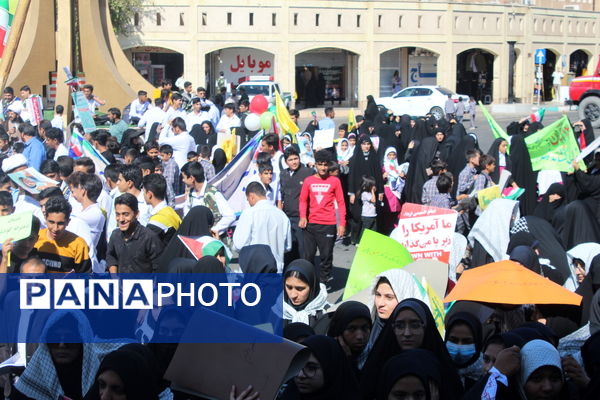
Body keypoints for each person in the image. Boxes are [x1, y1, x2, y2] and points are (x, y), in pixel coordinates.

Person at [299, 150, 346, 288]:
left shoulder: (335, 181)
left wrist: (341, 224)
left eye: (325, 165)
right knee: (308, 257)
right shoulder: (308, 181)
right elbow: (303, 200)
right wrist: (303, 216)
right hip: (311, 224)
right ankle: (308, 282)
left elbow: (341, 203)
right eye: (320, 164)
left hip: (328, 224)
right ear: (315, 165)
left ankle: (324, 282)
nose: (323, 168)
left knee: (326, 256)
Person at [233, 181, 291, 272]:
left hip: (253, 270)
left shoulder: (249, 213)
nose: (248, 203)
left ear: (251, 196)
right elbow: (288, 246)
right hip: (276, 270)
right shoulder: (282, 215)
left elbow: (239, 244)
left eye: (248, 200)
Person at [280, 335, 361, 400]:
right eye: (298, 366)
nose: (300, 375)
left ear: (330, 369)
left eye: (311, 368)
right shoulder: (290, 395)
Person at [106, 193, 164, 273]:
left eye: (126, 214)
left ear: (136, 214)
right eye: (118, 214)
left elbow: (159, 268)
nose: (121, 219)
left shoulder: (149, 238)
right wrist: (114, 277)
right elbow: (110, 256)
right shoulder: (115, 235)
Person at [35, 196, 91, 273]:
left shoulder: (79, 245)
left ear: (68, 222)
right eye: (51, 222)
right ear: (45, 219)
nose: (55, 228)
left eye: (60, 223)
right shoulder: (35, 239)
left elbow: (87, 278)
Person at [180, 161, 235, 236]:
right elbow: (186, 216)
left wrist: (215, 229)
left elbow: (230, 216)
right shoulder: (190, 196)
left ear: (192, 178)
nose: (183, 180)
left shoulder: (213, 194)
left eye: (184, 177)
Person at [279, 147, 314, 263]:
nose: (294, 162)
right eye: (290, 160)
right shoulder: (283, 174)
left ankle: (305, 274)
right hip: (287, 217)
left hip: (302, 218)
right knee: (289, 249)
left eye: (296, 158)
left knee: (303, 250)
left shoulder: (308, 172)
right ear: (286, 162)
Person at [282, 259, 330, 328]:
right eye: (289, 287)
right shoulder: (277, 310)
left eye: (300, 289)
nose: (293, 295)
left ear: (312, 288)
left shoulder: (327, 314)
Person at [327, 301, 372, 374]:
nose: (359, 336)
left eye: (365, 328)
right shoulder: (324, 358)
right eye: (352, 329)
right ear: (339, 331)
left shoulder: (377, 358)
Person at [67, 172, 106, 248]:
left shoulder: (96, 213)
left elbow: (65, 219)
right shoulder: (80, 209)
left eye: (73, 191)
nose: (72, 195)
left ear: (83, 190)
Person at [143, 173, 182, 246]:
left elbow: (145, 246)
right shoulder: (170, 211)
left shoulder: (156, 222)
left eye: (143, 192)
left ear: (149, 194)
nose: (143, 195)